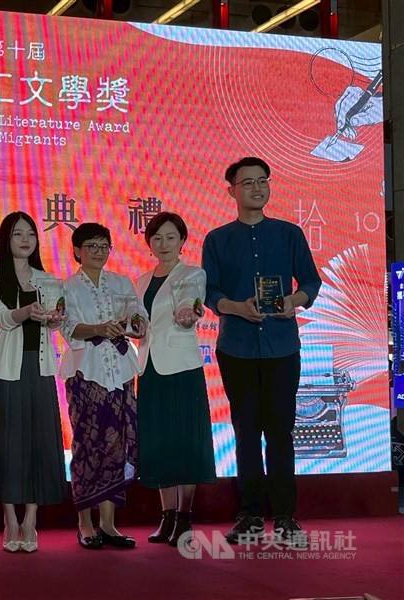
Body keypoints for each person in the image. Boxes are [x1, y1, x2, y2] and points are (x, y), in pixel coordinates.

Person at [202, 157, 321, 545]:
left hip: (282, 346)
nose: (257, 188)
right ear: (231, 191)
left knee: (281, 433)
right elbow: (210, 293)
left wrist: (294, 301)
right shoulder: (217, 239)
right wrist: (237, 307)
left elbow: (311, 281)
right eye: (247, 182)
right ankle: (250, 516)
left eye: (263, 181)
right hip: (236, 347)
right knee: (246, 432)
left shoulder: (289, 234)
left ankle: (286, 517)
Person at [0, 211, 67, 553]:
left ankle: (31, 519)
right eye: (17, 234)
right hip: (5, 369)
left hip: (40, 369)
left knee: (39, 441)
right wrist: (27, 312)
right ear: (6, 240)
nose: (26, 240)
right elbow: (1, 318)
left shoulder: (50, 280)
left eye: (30, 233)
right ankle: (9, 518)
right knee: (8, 443)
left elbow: (57, 323)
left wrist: (56, 318)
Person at [59, 222, 147, 550]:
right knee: (87, 445)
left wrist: (134, 324)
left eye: (103, 246)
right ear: (77, 251)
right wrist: (99, 327)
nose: (98, 252)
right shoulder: (67, 287)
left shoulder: (122, 282)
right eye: (91, 246)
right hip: (85, 374)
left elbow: (139, 319)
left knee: (118, 446)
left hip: (121, 372)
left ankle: (109, 524)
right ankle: (85, 524)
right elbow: (68, 328)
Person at [134, 212, 216, 547]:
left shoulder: (192, 274)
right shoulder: (140, 281)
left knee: (185, 441)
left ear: (182, 241)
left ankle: (184, 517)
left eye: (170, 237)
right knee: (158, 441)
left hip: (182, 368)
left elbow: (191, 304)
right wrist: (131, 327)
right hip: (150, 368)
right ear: (149, 243)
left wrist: (189, 315)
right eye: (157, 238)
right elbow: (139, 321)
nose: (163, 244)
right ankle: (165, 515)